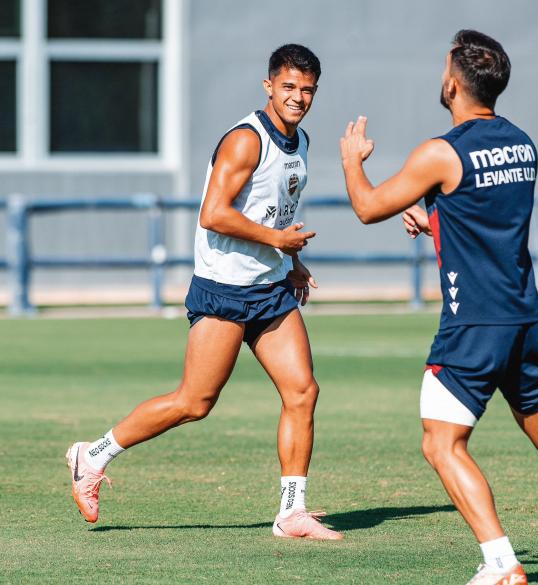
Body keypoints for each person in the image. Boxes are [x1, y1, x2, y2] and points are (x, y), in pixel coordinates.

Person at [340, 29, 538, 585]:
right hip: (525, 318)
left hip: (474, 324)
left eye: (443, 69)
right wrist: (431, 213)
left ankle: (500, 563)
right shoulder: (522, 143)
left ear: (453, 84)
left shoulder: (441, 151)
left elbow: (365, 208)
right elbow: (484, 215)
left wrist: (353, 160)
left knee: (442, 442)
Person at [66, 44, 342, 541]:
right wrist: (278, 242)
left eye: (307, 90)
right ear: (268, 86)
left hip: (270, 288)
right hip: (224, 289)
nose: (298, 97)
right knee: (194, 402)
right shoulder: (245, 141)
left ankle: (291, 512)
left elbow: (273, 215)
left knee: (302, 390)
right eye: (288, 87)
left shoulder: (299, 141)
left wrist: (292, 262)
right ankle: (93, 454)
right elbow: (213, 213)